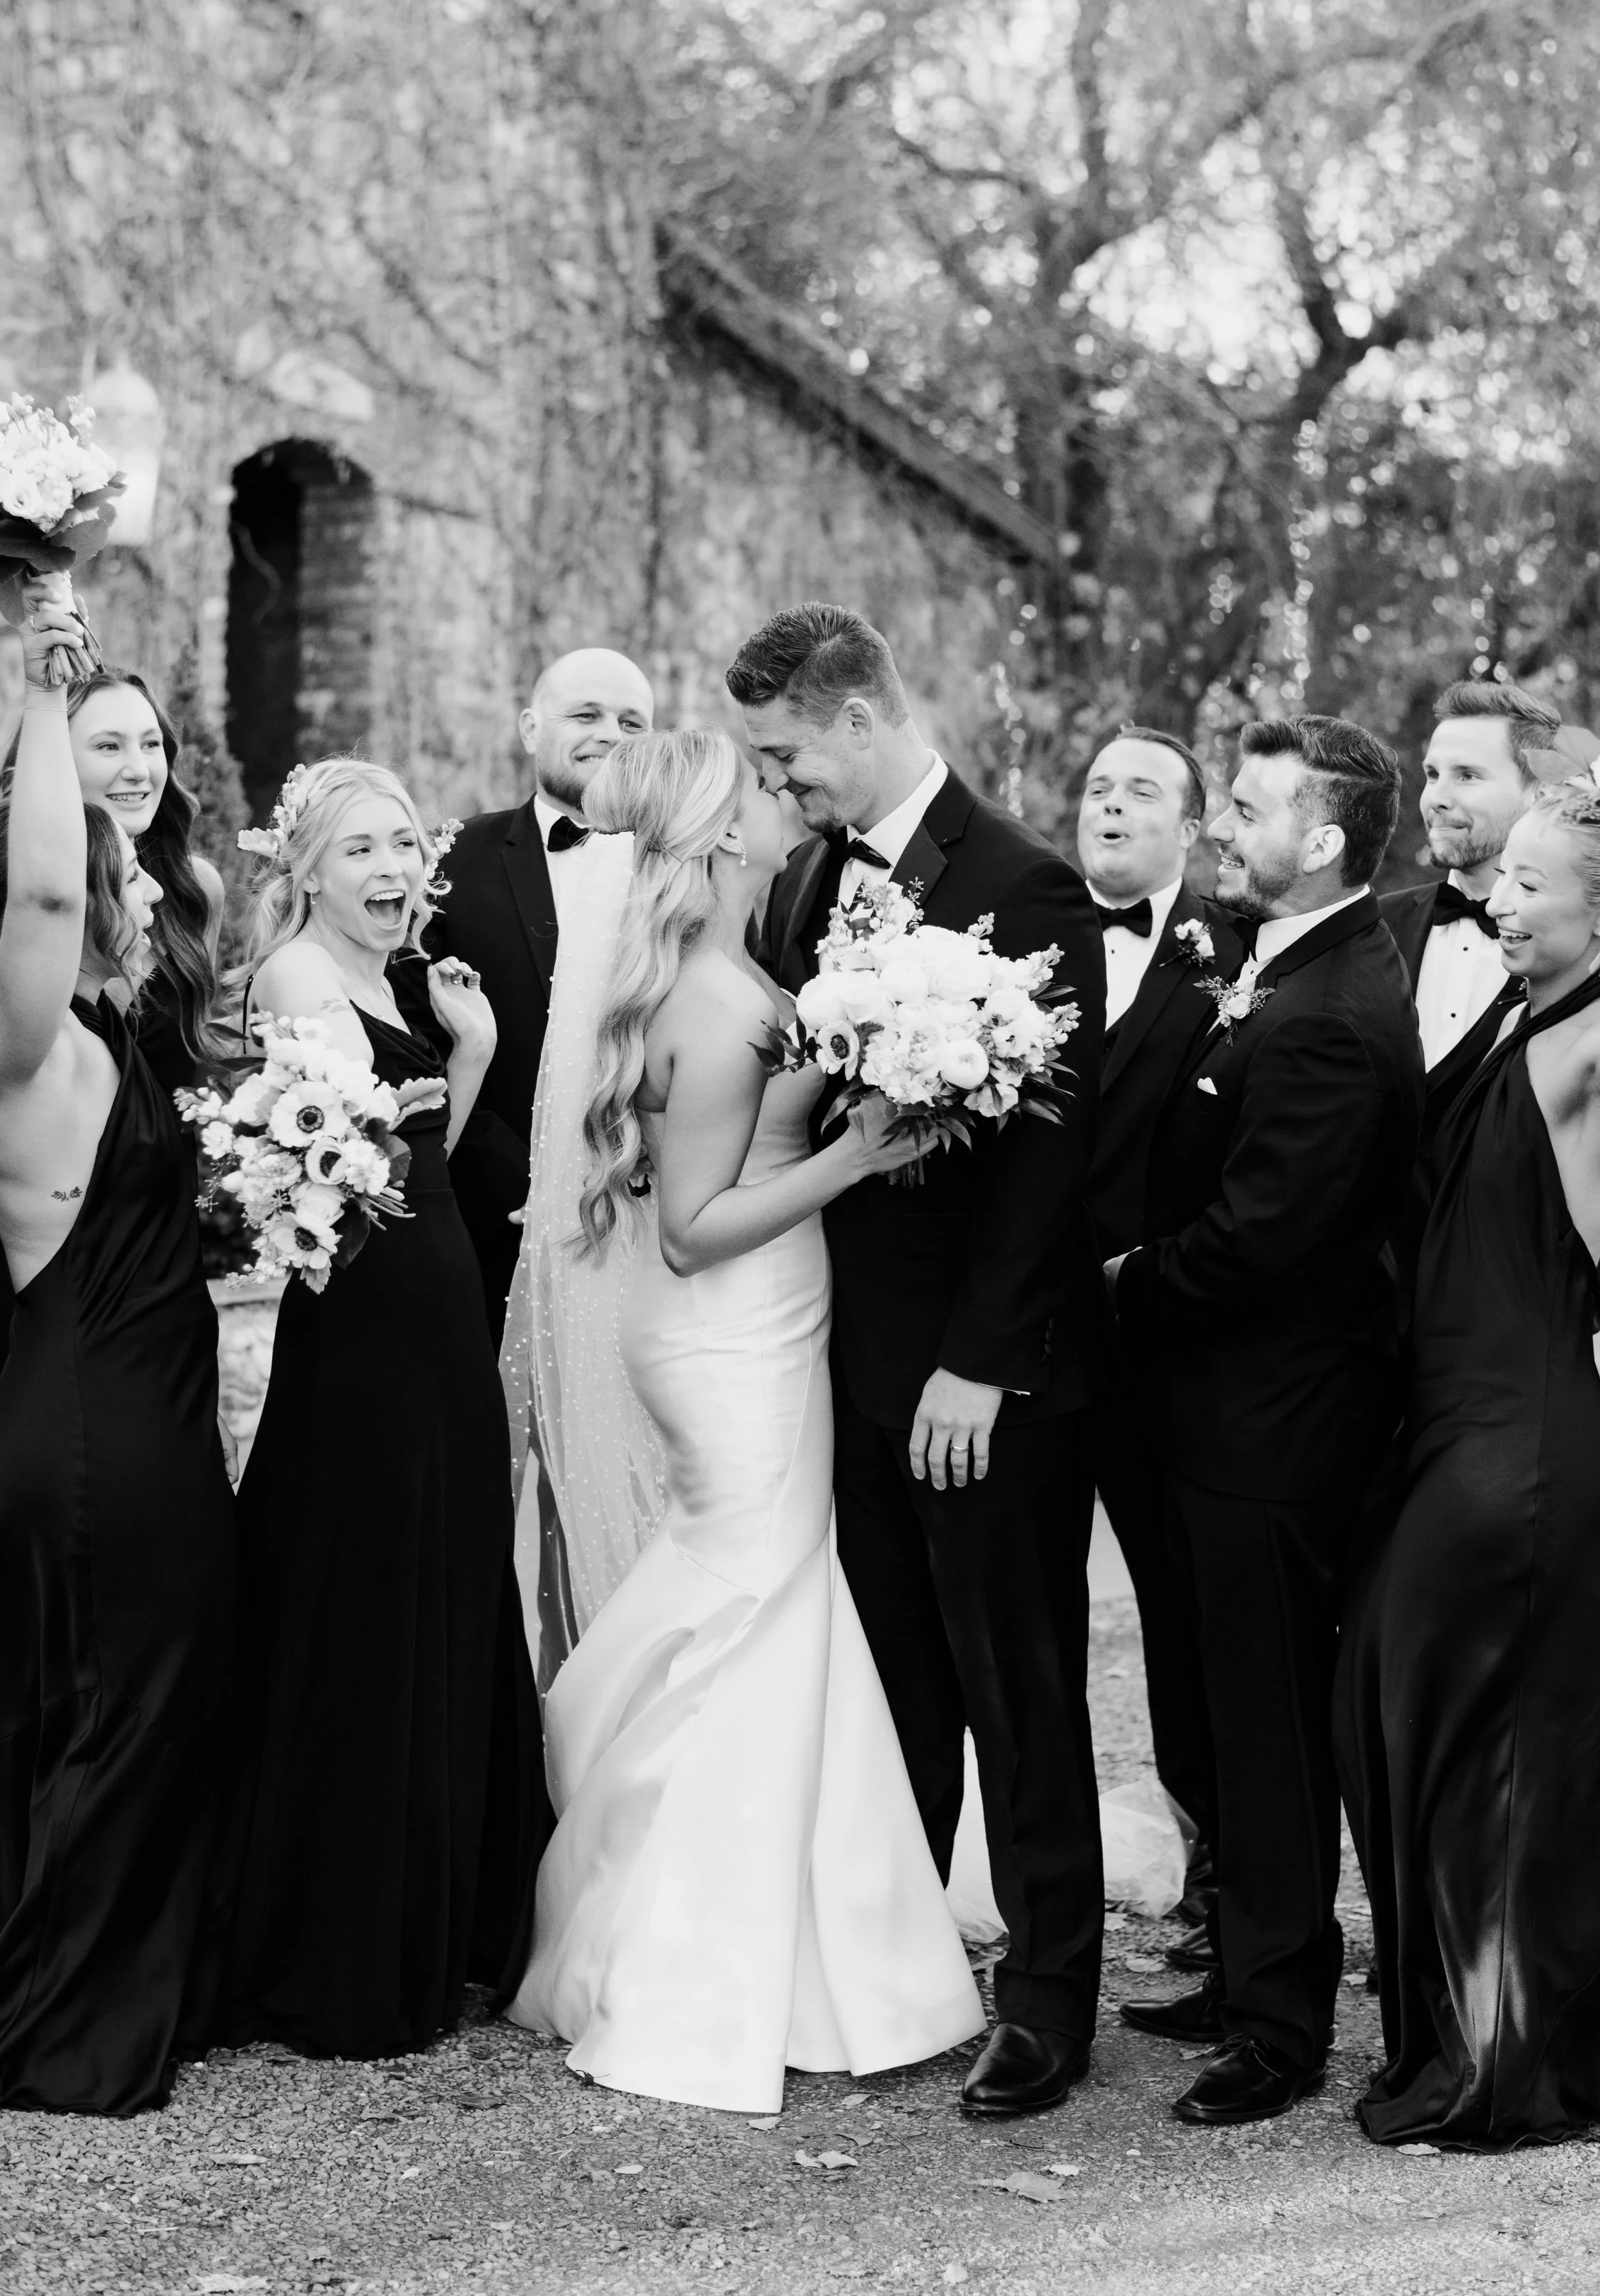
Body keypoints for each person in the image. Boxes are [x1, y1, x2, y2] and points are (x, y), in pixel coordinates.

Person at [507, 729, 983, 2111]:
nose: (785, 807)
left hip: (748, 1336)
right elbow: (691, 1231)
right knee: (761, 1610)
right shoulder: (714, 1007)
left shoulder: (721, 974)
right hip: (732, 1335)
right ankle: (714, 1971)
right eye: (763, 795)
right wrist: (851, 1150)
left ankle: (796, 1948)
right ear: (719, 838)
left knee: (762, 1602)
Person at [737, 604, 1106, 2120]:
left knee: (1012, 1676)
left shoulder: (1024, 884)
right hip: (845, 1358)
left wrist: (977, 1365)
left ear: (858, 720)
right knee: (895, 1680)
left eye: (784, 757)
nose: (777, 788)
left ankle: (1048, 1998)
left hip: (982, 1378)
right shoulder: (809, 881)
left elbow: (1046, 1167)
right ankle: (902, 1975)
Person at [1336, 800, 1600, 2147]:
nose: (1503, 901)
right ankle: (1505, 2011)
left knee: (1460, 1726)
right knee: (1414, 1710)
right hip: (1447, 1428)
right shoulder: (1514, 1016)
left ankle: (1500, 2045)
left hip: (1520, 1449)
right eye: (1505, 879)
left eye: (1534, 886)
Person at [0, 574, 238, 2112]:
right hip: (89, 1426)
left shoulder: (121, 1046)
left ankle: (121, 1973)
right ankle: (60, 2014)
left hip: (147, 1402)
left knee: (149, 1691)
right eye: (101, 881)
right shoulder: (25, 1039)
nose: (124, 894)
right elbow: (48, 896)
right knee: (116, 1691)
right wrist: (45, 692)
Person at [207, 758, 550, 2059]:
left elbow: (424, 1167)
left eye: (406, 843)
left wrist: (473, 1052)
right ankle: (347, 1937)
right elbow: (360, 1173)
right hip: (364, 1330)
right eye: (360, 848)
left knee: (441, 1578)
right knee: (366, 1591)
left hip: (433, 1300)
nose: (394, 868)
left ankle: (440, 1917)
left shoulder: (397, 982)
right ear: (305, 869)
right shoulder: (299, 973)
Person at [1109, 715, 1422, 2125]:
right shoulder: (1279, 967)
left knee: (1273, 1728)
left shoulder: (1343, 1007)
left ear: (1327, 838)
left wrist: (1116, 1281)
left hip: (1277, 1435)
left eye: (1246, 807)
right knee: (1227, 1717)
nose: (1224, 827)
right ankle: (1243, 1970)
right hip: (1222, 1419)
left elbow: (1259, 1238)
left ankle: (1281, 2030)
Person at [0, 663, 224, 1494]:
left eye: (150, 743)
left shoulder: (187, 891)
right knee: (43, 1484)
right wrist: (63, 1205)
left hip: (152, 1245)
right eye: (107, 744)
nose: (139, 766)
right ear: (45, 773)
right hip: (16, 1247)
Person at [1079, 727, 1242, 1955]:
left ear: (1191, 829)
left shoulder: (1236, 954)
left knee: (1191, 1620)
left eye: (1143, 790)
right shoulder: (1013, 939)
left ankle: (1225, 1878)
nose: (1112, 805)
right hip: (1025, 1345)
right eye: (1096, 788)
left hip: (1173, 1344)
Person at [408, 648, 655, 1350]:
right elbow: (418, 1033)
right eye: (586, 714)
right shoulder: (449, 864)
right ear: (528, 727)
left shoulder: (683, 871)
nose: (609, 734)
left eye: (631, 722)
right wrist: (526, 1179)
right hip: (493, 1216)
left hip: (645, 1214)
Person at [1381, 681, 1558, 1067]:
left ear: (1540, 794)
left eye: (1467, 776)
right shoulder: (1376, 927)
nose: (1437, 798)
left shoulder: (1589, 948)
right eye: (1433, 775)